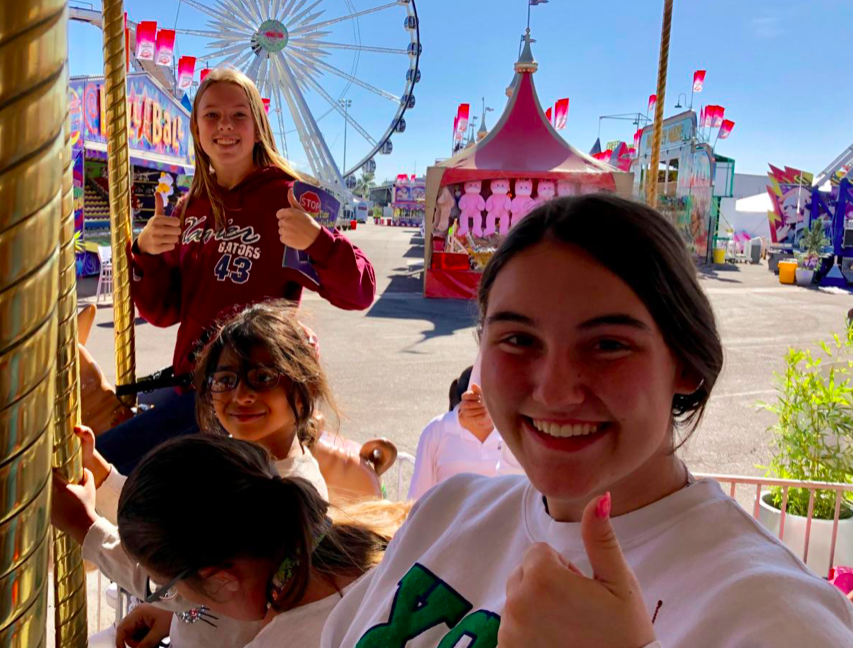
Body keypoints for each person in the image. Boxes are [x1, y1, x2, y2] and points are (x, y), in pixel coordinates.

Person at [320, 195, 853, 647]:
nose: (554, 390)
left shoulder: (779, 619)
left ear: (686, 364)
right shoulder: (447, 511)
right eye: (518, 340)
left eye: (608, 345)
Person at [96, 67, 375, 473]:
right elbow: (162, 313)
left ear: (258, 127)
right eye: (211, 115)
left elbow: (360, 290)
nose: (225, 126)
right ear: (196, 127)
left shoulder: (288, 197)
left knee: (102, 463)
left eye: (238, 115)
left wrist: (318, 240)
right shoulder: (190, 206)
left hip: (247, 389)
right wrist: (146, 253)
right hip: (192, 384)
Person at [51, 302, 343, 647]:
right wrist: (100, 474)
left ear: (303, 385)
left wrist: (84, 528)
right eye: (225, 380)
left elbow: (172, 577)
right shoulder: (235, 458)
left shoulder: (280, 488)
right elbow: (171, 536)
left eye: (262, 378)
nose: (242, 395)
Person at [93, 435, 407, 648]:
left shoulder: (285, 640)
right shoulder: (381, 528)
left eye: (166, 589)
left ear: (219, 581)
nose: (175, 599)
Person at [407, 365, 508, 501]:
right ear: (463, 402)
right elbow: (417, 501)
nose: (481, 410)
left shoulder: (511, 431)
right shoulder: (436, 431)